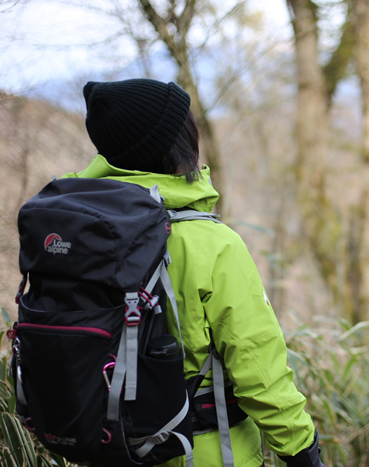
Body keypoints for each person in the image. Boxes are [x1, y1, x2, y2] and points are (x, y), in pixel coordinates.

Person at [65, 78, 323, 467]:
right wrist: (304, 451)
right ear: (174, 144)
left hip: (105, 445)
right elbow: (258, 367)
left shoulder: (74, 230)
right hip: (199, 451)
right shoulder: (210, 243)